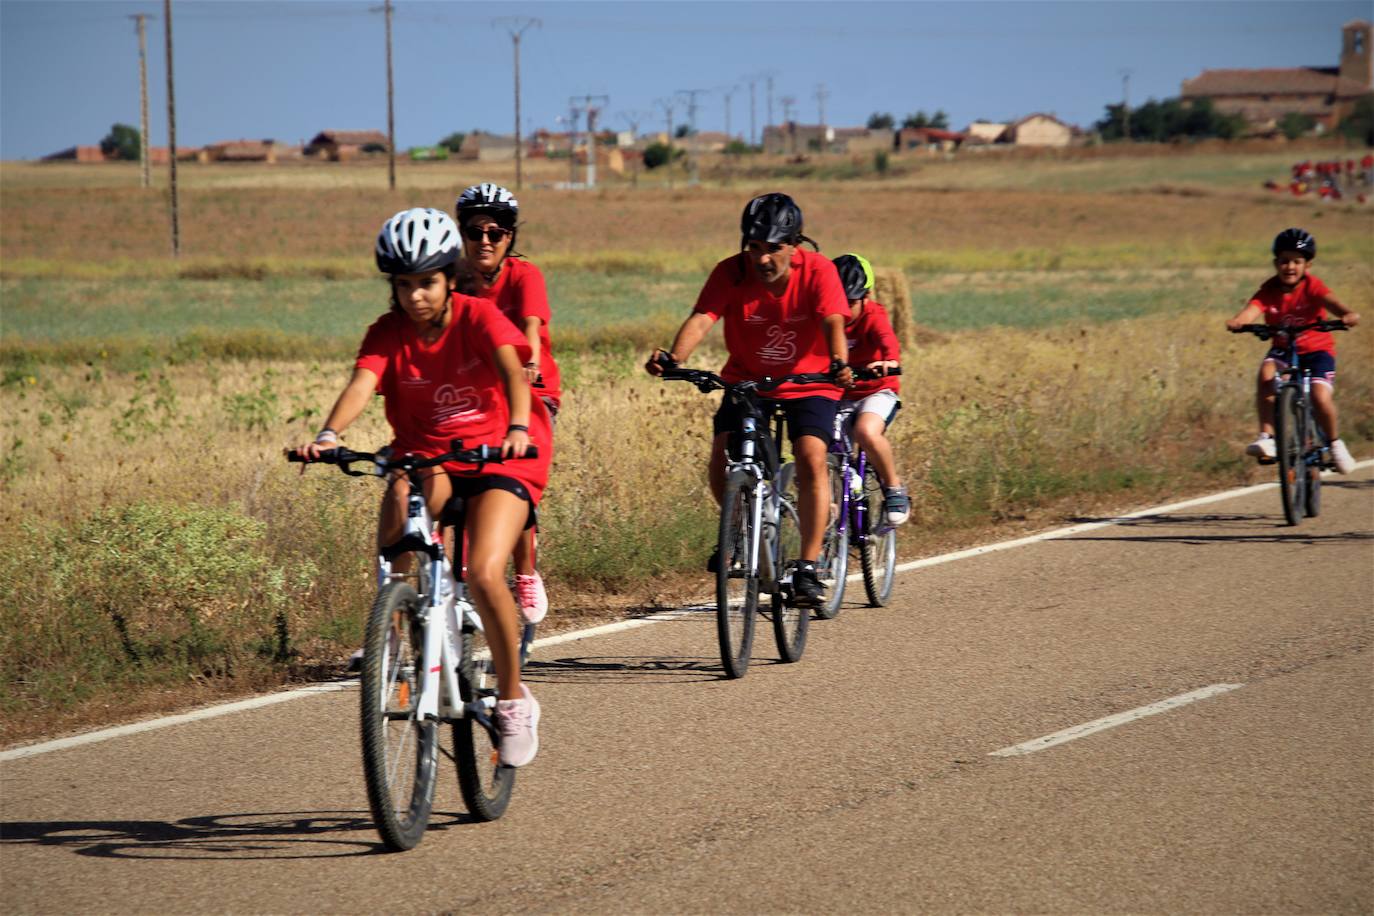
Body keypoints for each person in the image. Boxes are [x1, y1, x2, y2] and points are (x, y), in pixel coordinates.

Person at [291, 207, 550, 766]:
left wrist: (516, 428)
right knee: (400, 502)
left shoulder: (479, 317)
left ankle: (512, 699)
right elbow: (364, 381)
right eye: (403, 285)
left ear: (449, 277)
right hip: (427, 456)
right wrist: (329, 433)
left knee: (483, 570)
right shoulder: (387, 333)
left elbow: (512, 373)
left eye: (427, 283)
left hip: (495, 456)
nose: (416, 297)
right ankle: (395, 617)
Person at [645, 193, 853, 607]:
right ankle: (738, 527)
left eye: (774, 248)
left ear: (794, 245)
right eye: (754, 247)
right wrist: (674, 358)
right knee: (724, 455)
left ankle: (808, 568)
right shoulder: (730, 273)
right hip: (748, 380)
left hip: (809, 381)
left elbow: (832, 319)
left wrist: (838, 361)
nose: (762, 259)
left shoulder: (819, 271)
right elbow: (704, 316)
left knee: (811, 456)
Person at [454, 183, 560, 628]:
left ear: (510, 237)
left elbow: (531, 328)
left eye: (495, 232)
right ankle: (452, 580)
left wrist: (529, 364)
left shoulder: (523, 275)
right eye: (475, 231)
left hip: (531, 391)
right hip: (477, 393)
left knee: (513, 476)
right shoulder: (453, 277)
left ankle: (525, 571)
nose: (484, 240)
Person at [1225, 227, 1360, 475]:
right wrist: (1239, 320)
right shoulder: (1269, 290)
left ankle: (1335, 443)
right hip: (1284, 351)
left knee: (1320, 397)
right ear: (1276, 263)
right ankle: (1267, 437)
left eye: (1296, 262)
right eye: (1284, 261)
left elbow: (1333, 303)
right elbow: (1253, 309)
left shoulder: (1313, 287)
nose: (1290, 267)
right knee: (1266, 374)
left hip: (1317, 351)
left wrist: (1346, 315)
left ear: (1307, 265)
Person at [832, 253, 910, 525]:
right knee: (820, 445)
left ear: (865, 297)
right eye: (838, 302)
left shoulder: (873, 314)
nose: (844, 310)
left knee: (866, 431)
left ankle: (893, 488)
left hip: (875, 390)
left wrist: (889, 361)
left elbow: (888, 341)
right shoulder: (824, 320)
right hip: (838, 394)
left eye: (851, 302)